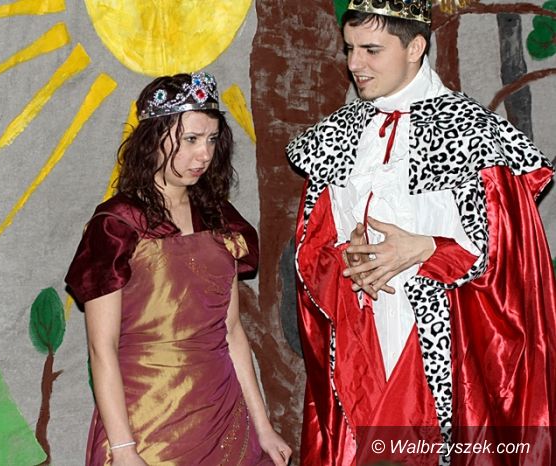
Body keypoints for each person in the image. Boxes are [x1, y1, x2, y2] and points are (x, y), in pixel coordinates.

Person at [286, 0, 556, 464]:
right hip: (362, 340)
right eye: (349, 49)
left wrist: (427, 249)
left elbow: (511, 261)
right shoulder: (338, 136)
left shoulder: (473, 133)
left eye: (371, 50)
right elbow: (314, 244)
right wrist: (346, 256)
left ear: (415, 48)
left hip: (443, 349)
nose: (355, 64)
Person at [66, 71, 291, 466]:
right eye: (190, 139)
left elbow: (231, 331)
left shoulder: (220, 218)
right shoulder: (117, 225)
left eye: (212, 139)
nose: (204, 154)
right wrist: (124, 450)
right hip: (147, 423)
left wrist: (263, 426)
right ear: (153, 138)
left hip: (225, 418)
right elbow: (102, 348)